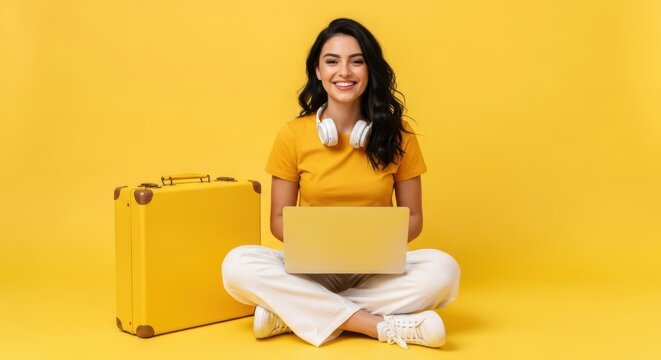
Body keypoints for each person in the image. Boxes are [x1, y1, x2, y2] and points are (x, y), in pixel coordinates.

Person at [222, 18, 460, 349]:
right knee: (237, 264)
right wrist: (324, 241)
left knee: (444, 272)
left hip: (375, 270)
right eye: (332, 61)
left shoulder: (399, 134)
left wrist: (368, 241)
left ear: (370, 69)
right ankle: (376, 326)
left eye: (356, 61)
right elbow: (278, 220)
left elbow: (415, 218)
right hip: (310, 270)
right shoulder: (292, 135)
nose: (344, 72)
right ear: (318, 71)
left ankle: (291, 312)